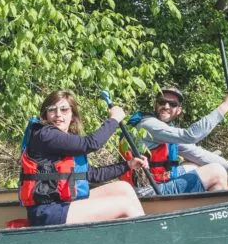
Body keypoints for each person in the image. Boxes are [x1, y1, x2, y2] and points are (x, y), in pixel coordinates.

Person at [19, 90, 148, 226]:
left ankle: (140, 236)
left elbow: (93, 174)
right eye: (52, 110)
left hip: (64, 204)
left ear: (72, 116)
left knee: (124, 188)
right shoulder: (44, 135)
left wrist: (128, 165)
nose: (58, 114)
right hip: (48, 211)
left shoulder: (65, 140)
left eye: (64, 110)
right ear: (45, 114)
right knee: (124, 204)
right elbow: (91, 144)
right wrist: (114, 120)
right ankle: (149, 241)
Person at [118, 85, 228, 194]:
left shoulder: (166, 132)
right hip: (143, 192)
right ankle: (214, 213)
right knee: (217, 171)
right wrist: (225, 106)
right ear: (155, 105)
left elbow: (196, 153)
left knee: (195, 164)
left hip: (156, 182)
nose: (166, 106)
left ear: (179, 110)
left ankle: (205, 205)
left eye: (172, 104)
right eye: (162, 102)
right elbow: (190, 135)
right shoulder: (149, 125)